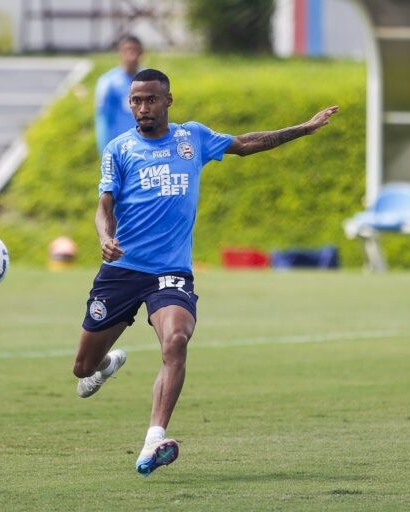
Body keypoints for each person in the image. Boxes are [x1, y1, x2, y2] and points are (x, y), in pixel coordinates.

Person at [72, 68, 339, 476]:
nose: (142, 108)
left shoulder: (191, 138)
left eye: (150, 100)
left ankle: (153, 439)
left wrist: (304, 128)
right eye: (136, 101)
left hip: (171, 271)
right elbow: (104, 206)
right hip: (123, 270)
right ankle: (105, 365)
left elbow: (247, 143)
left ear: (168, 101)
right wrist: (105, 237)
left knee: (176, 340)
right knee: (83, 368)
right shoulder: (119, 149)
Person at [94, 34, 143, 155]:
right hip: (120, 149)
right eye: (127, 50)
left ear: (142, 53)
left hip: (144, 148)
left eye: (135, 50)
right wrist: (106, 151)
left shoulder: (148, 80)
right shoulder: (108, 82)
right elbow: (103, 118)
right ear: (120, 53)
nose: (132, 55)